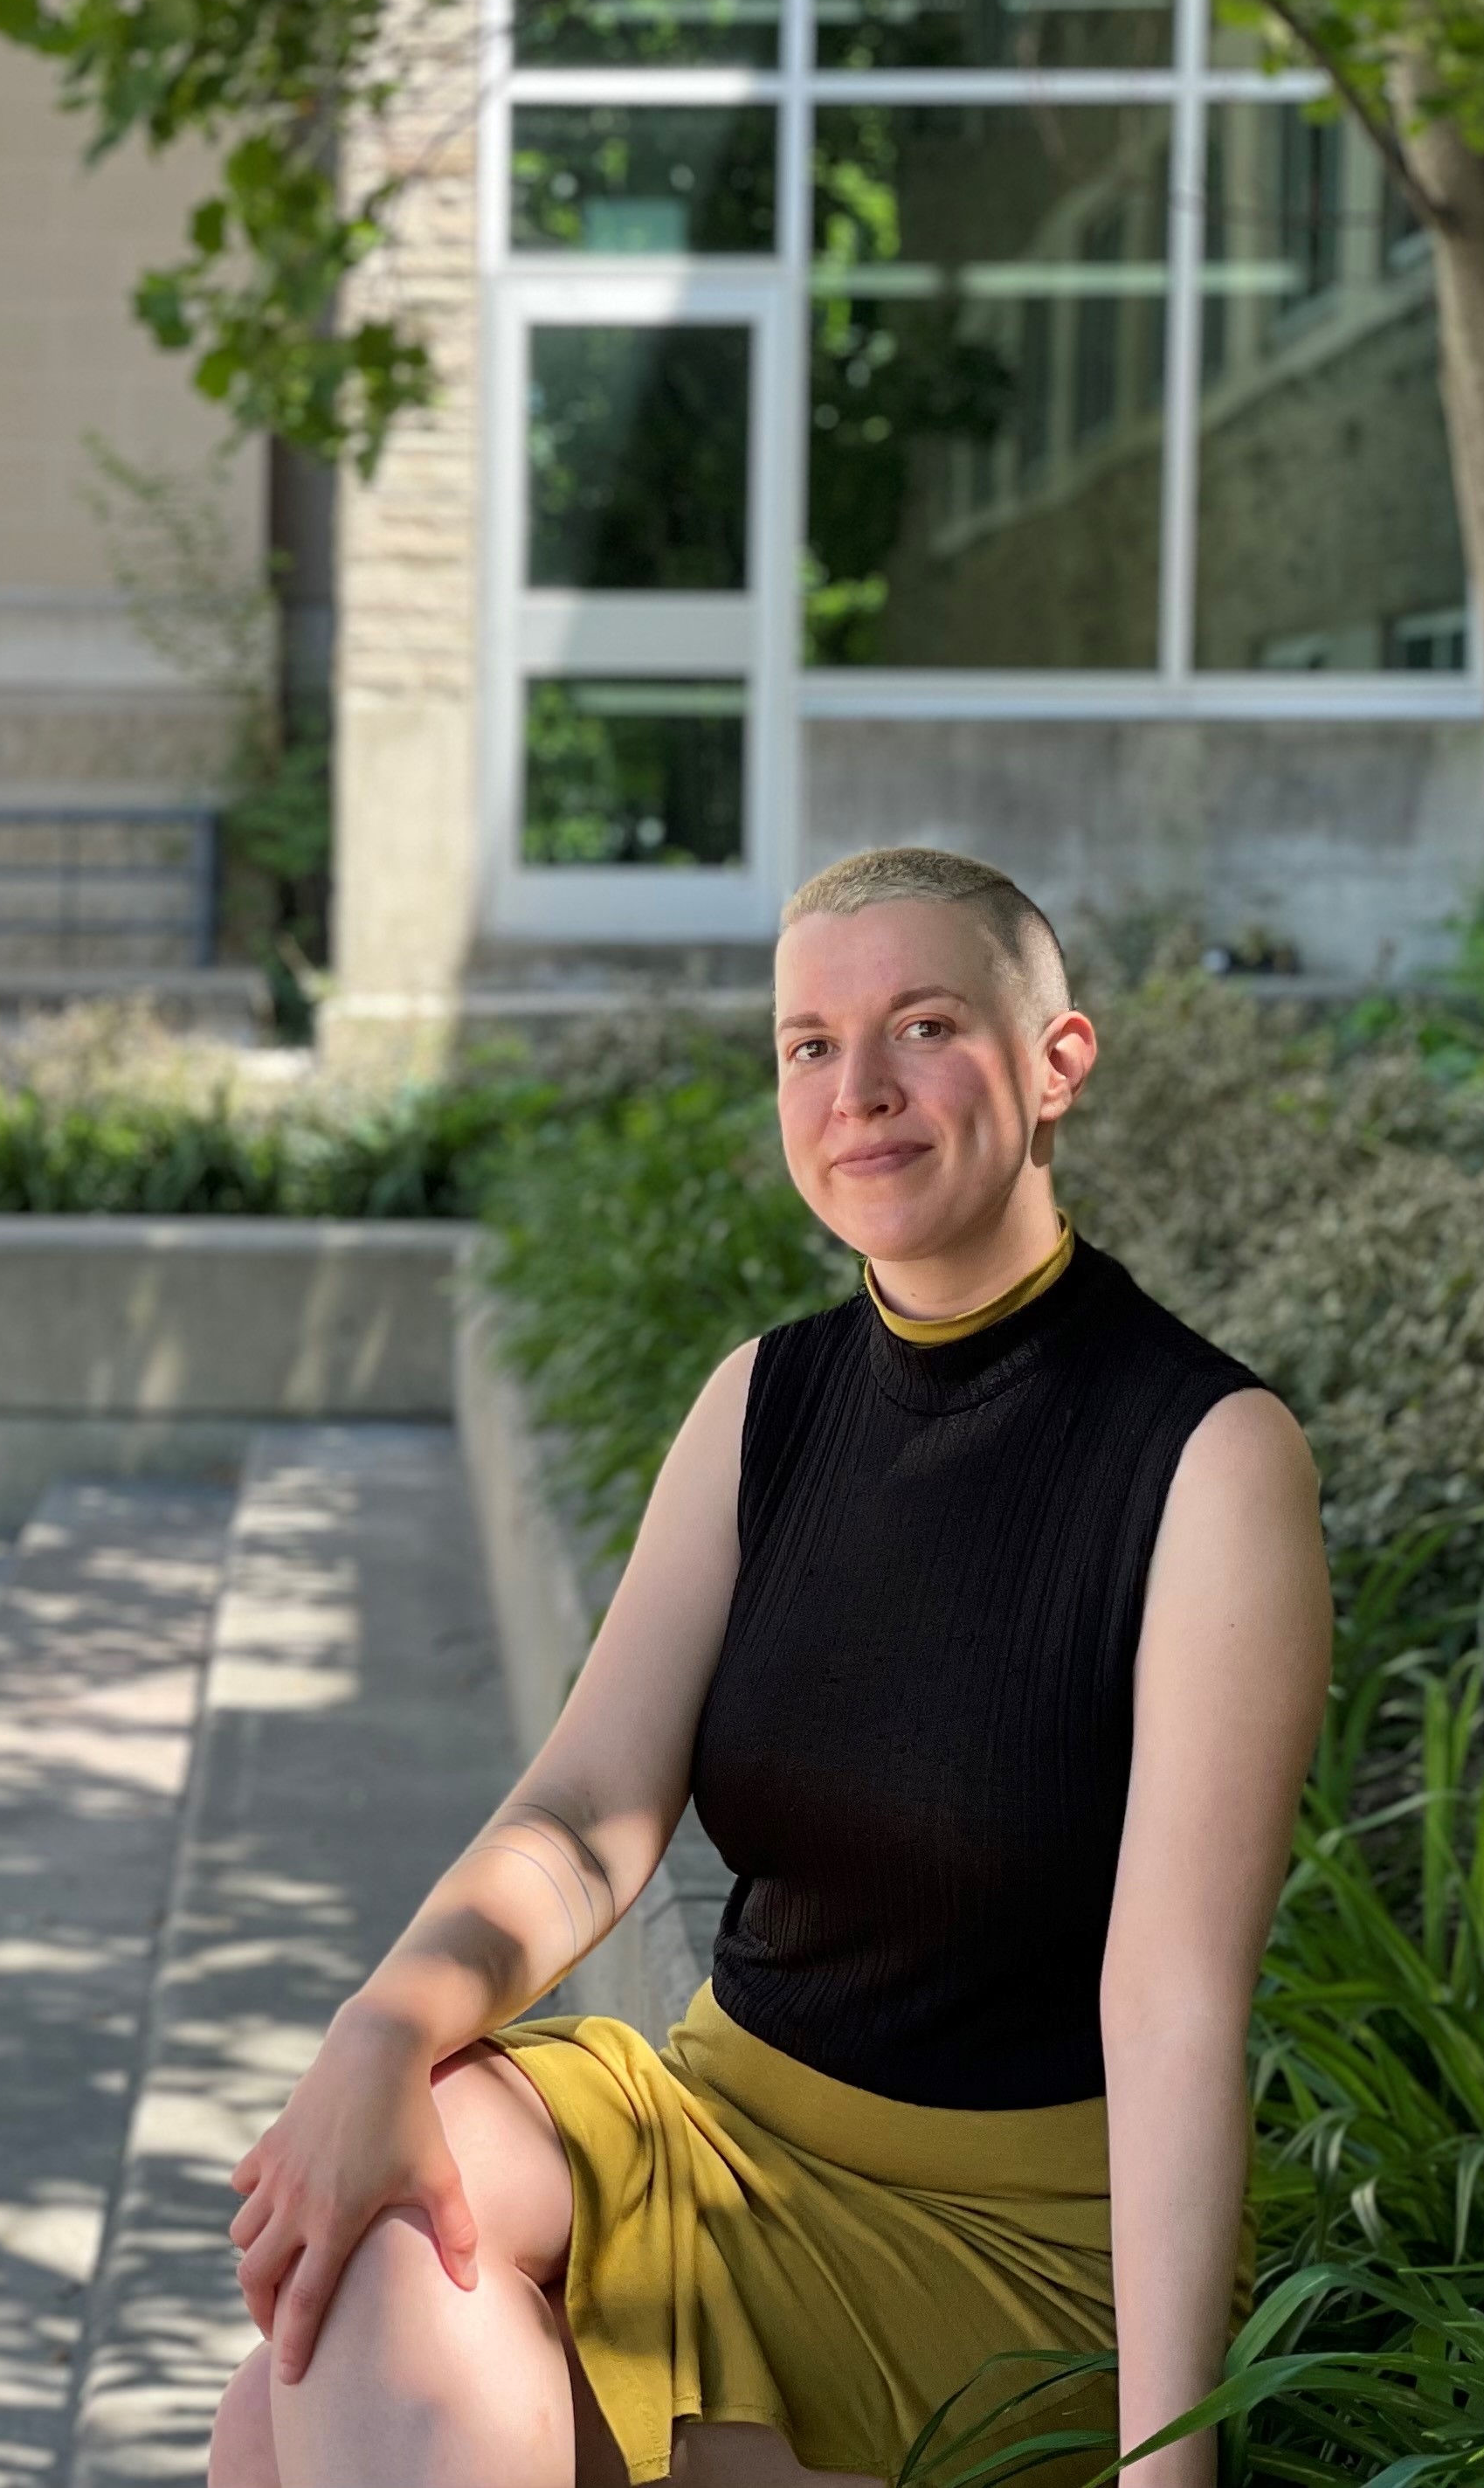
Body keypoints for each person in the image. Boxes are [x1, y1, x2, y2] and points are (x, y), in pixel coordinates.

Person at [206, 847, 1332, 2488]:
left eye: (925, 1025)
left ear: (1056, 1061)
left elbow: (1171, 2001)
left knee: (293, 2410)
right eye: (809, 1043)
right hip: (724, 2132)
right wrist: (381, 2025)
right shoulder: (770, 1400)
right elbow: (589, 1806)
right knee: (372, 2233)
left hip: (1014, 2245)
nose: (859, 1089)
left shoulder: (1209, 1456)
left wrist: (1169, 2468)